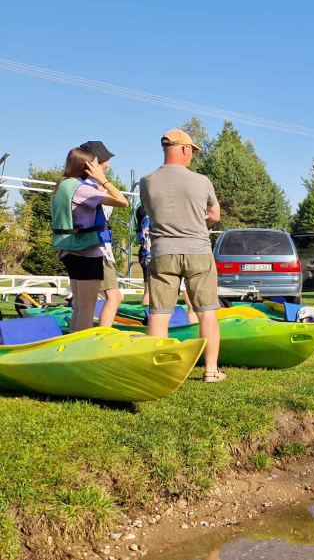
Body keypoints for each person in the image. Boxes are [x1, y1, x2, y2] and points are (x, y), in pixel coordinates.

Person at [139, 129, 224, 382]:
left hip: (163, 251)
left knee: (159, 313)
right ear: (186, 149)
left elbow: (151, 213)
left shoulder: (146, 181)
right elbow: (215, 215)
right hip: (197, 252)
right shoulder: (202, 181)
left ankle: (158, 372)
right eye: (193, 152)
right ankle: (210, 371)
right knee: (206, 312)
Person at [50, 147, 130, 331]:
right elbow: (123, 201)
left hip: (68, 249)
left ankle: (72, 346)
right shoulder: (82, 189)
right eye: (95, 164)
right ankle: (82, 349)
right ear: (87, 166)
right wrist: (103, 180)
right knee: (87, 307)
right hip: (87, 251)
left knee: (79, 306)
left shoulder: (63, 184)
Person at [78, 141, 126, 328]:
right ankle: (100, 336)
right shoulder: (88, 187)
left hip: (97, 248)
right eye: (103, 161)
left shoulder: (87, 186)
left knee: (90, 299)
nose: (107, 164)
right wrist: (103, 184)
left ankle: (88, 334)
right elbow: (121, 201)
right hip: (95, 249)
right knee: (114, 297)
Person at [135, 203, 152, 306]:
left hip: (144, 253)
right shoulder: (147, 218)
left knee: (149, 291)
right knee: (149, 291)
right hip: (148, 255)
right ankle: (146, 316)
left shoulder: (141, 213)